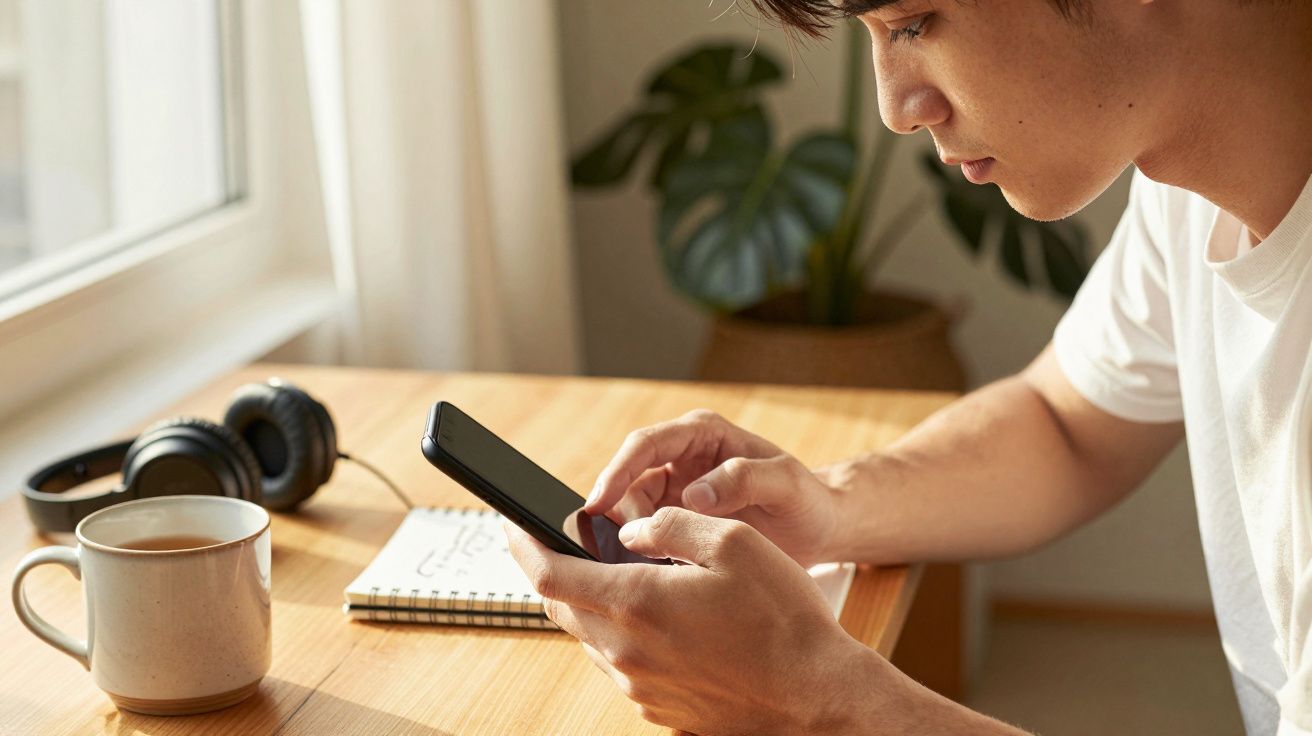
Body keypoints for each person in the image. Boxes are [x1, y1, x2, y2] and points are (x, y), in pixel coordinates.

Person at [503, 0, 1312, 732]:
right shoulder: (1194, 176)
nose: (894, 107)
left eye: (914, 23)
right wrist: (827, 504)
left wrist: (822, 699)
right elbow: (1069, 425)